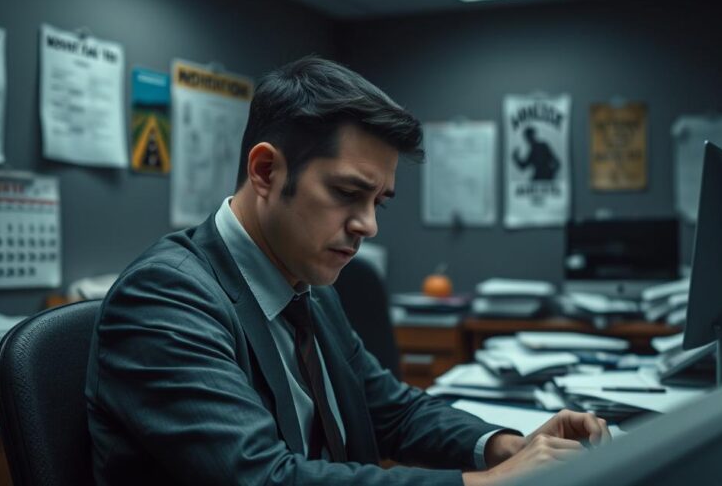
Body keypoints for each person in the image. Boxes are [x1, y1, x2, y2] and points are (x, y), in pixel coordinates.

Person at [85, 56, 610, 486]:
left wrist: (509, 447)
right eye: (347, 193)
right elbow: (265, 479)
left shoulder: (306, 284)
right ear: (266, 171)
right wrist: (490, 483)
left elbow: (390, 411)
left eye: (379, 201)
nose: (368, 225)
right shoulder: (165, 298)